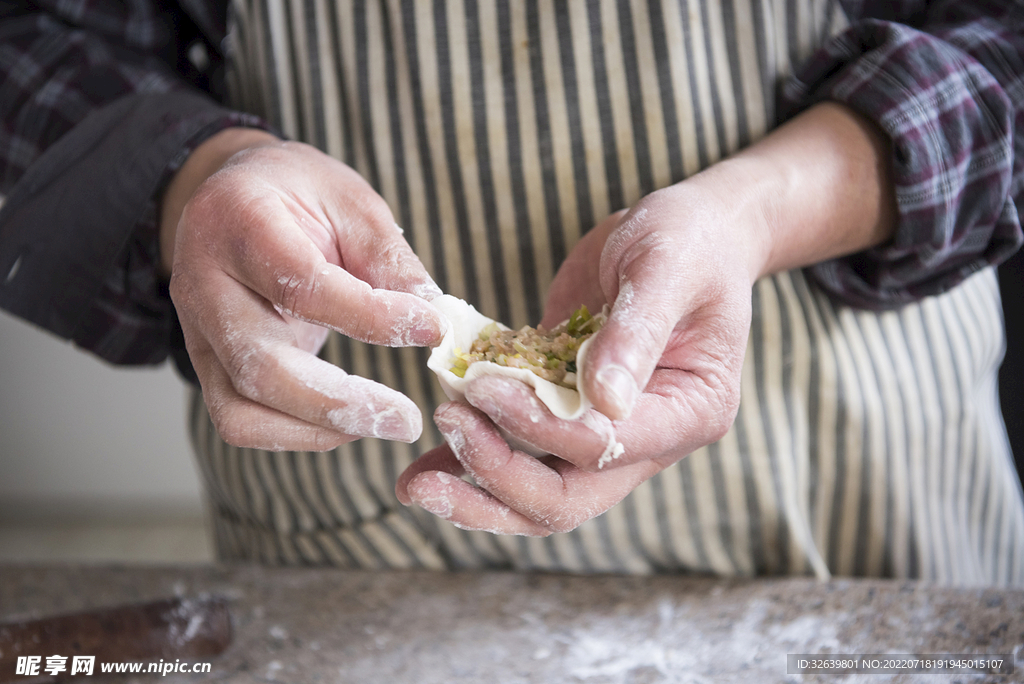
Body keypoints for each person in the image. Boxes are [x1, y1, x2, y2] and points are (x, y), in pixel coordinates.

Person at [2, 0, 1023, 582]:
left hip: (860, 475)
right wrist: (200, 178)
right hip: (371, 517)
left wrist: (755, 211)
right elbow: (33, 37)